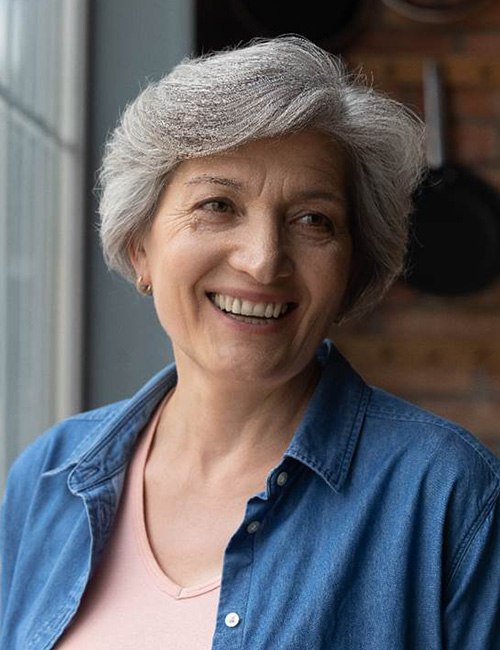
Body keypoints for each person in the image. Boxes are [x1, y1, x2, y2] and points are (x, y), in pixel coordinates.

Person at [1, 35, 499, 650]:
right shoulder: (48, 477)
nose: (264, 262)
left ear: (350, 273)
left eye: (313, 220)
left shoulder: (450, 495)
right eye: (218, 205)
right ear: (139, 246)